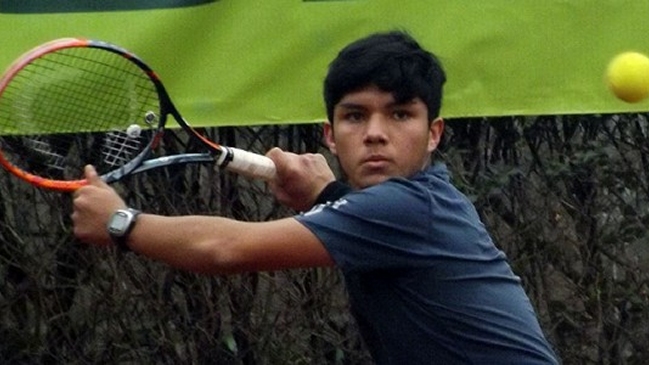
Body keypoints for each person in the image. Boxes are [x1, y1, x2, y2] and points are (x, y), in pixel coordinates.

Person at [72, 31, 560, 364]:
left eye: (399, 115)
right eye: (354, 116)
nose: (375, 134)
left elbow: (226, 250)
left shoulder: (409, 207)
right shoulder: (409, 209)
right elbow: (359, 221)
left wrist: (122, 222)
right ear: (330, 135)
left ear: (434, 134)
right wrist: (326, 194)